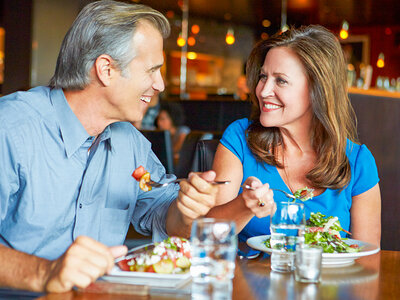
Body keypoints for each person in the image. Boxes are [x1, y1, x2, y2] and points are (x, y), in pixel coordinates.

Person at [0, 1, 218, 293]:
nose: (160, 85)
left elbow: (162, 214)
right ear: (106, 69)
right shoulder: (11, 128)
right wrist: (45, 272)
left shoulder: (130, 143)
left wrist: (187, 210)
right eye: (152, 70)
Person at [207, 25, 381, 255]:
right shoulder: (239, 138)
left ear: (317, 90)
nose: (263, 90)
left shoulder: (357, 162)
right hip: (248, 286)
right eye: (263, 77)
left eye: (281, 81)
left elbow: (367, 262)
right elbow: (209, 237)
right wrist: (243, 206)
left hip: (327, 289)